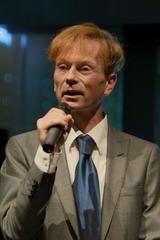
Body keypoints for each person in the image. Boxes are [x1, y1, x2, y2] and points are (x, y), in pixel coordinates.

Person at [0, 23, 160, 240]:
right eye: (63, 67)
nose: (70, 77)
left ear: (109, 82)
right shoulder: (24, 149)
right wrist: (47, 155)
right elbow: (15, 232)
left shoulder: (145, 156)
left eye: (84, 68)